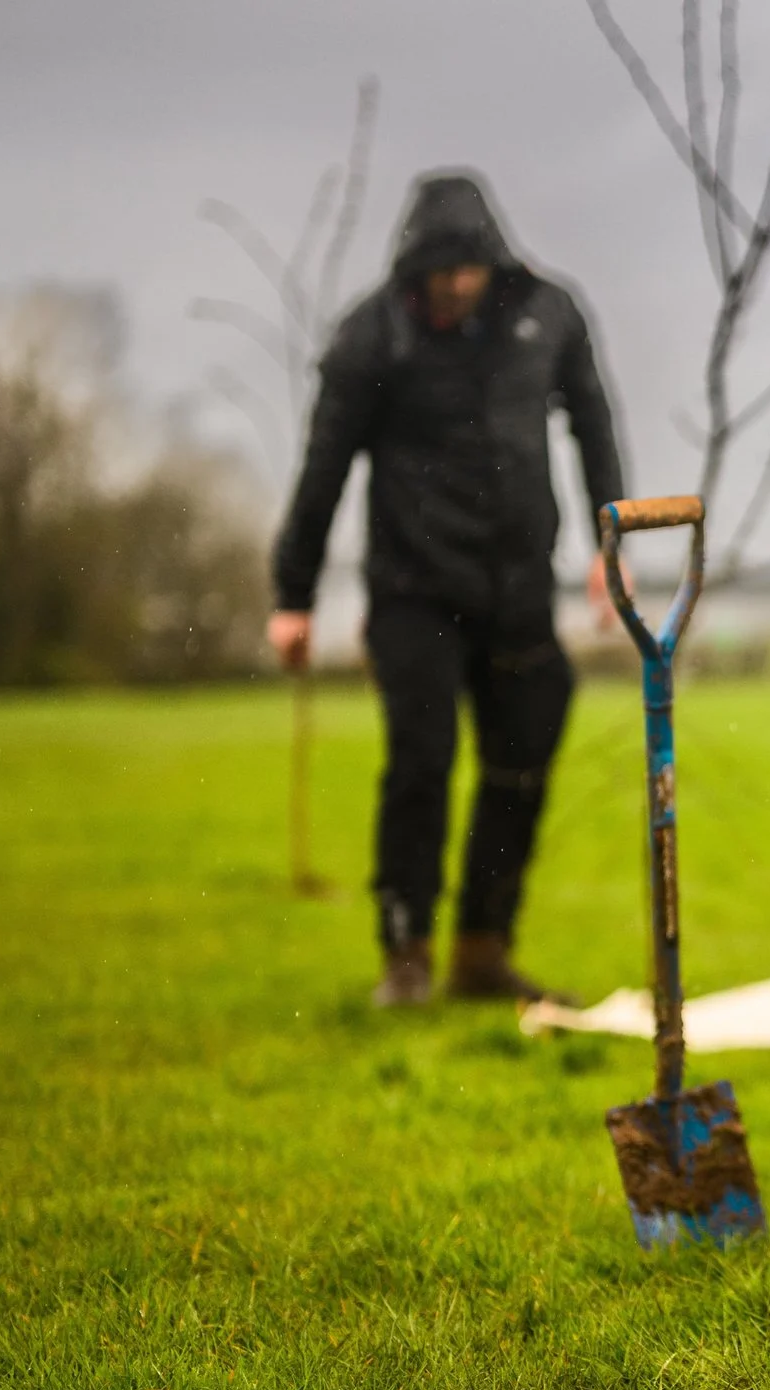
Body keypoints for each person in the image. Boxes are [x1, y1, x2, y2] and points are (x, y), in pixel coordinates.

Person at [266, 171, 625, 1007]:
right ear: (414, 271)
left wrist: (613, 538)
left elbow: (594, 421)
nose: (455, 287)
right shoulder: (372, 336)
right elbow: (324, 467)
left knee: (524, 754)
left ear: (492, 265)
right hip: (412, 589)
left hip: (518, 585)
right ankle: (406, 953)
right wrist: (294, 594)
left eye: (468, 272)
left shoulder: (549, 316)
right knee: (421, 762)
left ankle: (482, 948)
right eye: (440, 274)